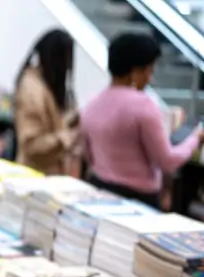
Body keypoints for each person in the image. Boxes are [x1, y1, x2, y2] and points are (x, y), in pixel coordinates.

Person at [80, 33, 202, 208]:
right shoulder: (143, 105)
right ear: (135, 72)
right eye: (149, 70)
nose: (149, 78)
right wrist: (195, 139)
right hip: (138, 200)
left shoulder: (92, 104)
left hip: (99, 192)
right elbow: (167, 161)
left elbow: (88, 155)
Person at [13, 29, 79, 174]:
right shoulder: (32, 90)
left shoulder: (48, 85)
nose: (68, 67)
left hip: (51, 176)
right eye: (65, 60)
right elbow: (31, 144)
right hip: (34, 176)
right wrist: (66, 137)